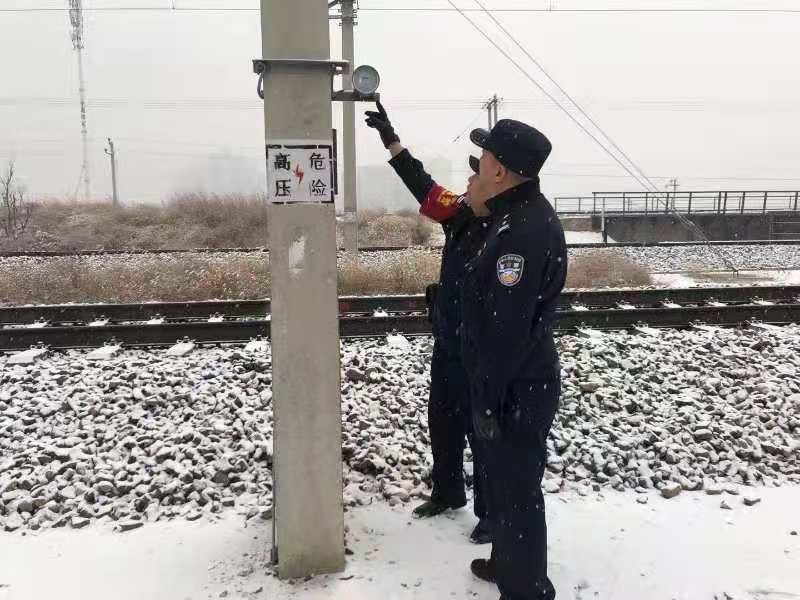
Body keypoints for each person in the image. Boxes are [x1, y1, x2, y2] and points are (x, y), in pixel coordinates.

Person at [364, 101, 491, 544]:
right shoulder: (458, 211)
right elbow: (421, 184)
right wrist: (390, 138)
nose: (467, 181)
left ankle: (490, 513)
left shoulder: (507, 229)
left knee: (482, 428)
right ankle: (448, 491)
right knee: (444, 417)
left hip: (481, 348)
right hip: (449, 340)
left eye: (475, 176)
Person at [460, 119, 567, 600]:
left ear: (500, 170)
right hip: (514, 378)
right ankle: (507, 564)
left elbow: (509, 325)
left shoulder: (522, 229)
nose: (478, 164)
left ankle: (528, 589)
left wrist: (487, 392)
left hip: (518, 383)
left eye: (484, 157)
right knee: (505, 483)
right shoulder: (513, 216)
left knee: (519, 489)